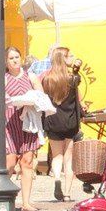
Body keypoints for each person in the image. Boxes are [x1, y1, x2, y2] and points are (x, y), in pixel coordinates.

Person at [40, 48, 84, 203]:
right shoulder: (72, 79)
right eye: (70, 56)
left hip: (53, 120)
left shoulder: (47, 79)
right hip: (69, 121)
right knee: (68, 158)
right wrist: (76, 67)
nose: (72, 57)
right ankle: (67, 193)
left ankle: (57, 178)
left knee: (57, 155)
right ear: (63, 59)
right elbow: (77, 81)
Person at [4, 47, 45, 211]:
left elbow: (41, 96)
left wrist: (33, 98)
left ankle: (26, 202)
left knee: (27, 162)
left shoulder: (30, 76)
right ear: (6, 61)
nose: (15, 60)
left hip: (28, 122)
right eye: (11, 58)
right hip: (9, 122)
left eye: (17, 57)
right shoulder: (4, 78)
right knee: (10, 162)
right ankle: (4, 199)